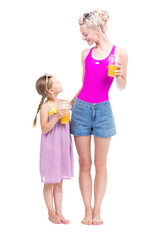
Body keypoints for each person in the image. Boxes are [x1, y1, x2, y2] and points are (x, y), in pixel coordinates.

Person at [70, 9, 128, 225]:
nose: (83, 39)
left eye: (85, 34)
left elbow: (121, 87)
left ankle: (97, 211)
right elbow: (85, 84)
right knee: (84, 164)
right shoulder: (85, 54)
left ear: (97, 30)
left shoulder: (119, 53)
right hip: (81, 110)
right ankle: (87, 211)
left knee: (100, 164)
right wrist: (71, 103)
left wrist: (121, 76)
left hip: (103, 111)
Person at [33, 74, 74, 224]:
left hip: (63, 148)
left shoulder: (63, 103)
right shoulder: (46, 107)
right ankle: (51, 212)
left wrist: (84, 87)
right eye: (57, 82)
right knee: (49, 181)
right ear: (50, 90)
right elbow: (44, 129)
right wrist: (56, 117)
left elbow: (72, 103)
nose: (60, 82)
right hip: (51, 149)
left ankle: (60, 212)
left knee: (59, 182)